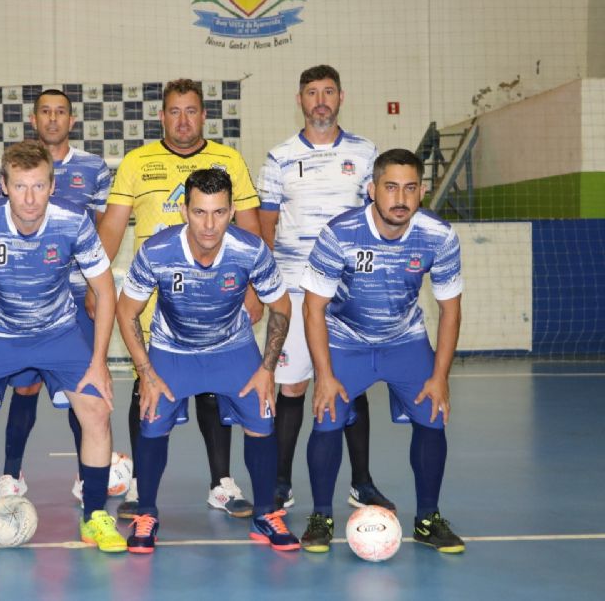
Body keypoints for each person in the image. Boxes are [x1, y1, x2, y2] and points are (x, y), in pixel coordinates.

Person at [0, 140, 126, 558]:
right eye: (20, 186)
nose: (29, 197)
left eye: (38, 186)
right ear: (3, 186)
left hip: (58, 331)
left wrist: (98, 362)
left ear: (52, 186)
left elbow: (105, 292)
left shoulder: (74, 222)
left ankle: (95, 516)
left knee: (96, 408)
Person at [96, 78, 262, 519]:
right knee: (146, 388)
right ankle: (139, 488)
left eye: (191, 111)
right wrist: (93, 285)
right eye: (174, 111)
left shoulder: (228, 159)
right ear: (161, 115)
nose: (183, 119)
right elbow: (112, 228)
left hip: (218, 297)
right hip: (154, 300)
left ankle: (222, 483)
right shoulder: (137, 162)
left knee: (215, 390)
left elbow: (249, 228)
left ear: (204, 115)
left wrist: (253, 287)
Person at [117, 169, 299, 554]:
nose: (209, 224)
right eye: (200, 212)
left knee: (263, 416)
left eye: (218, 212)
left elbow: (281, 308)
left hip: (232, 349)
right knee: (150, 418)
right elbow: (126, 310)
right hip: (173, 350)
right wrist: (146, 372)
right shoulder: (157, 250)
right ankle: (146, 513)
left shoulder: (250, 249)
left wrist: (268, 370)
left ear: (232, 210)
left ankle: (266, 513)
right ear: (184, 210)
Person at [298, 149, 465, 554]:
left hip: (404, 340)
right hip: (345, 339)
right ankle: (321, 515)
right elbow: (313, 307)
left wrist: (440, 377)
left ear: (421, 192)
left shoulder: (438, 236)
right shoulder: (340, 233)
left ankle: (428, 518)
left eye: (410, 188)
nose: (400, 199)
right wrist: (325, 376)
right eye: (390, 187)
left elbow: (450, 309)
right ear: (372, 190)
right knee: (327, 416)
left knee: (432, 416)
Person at [256, 64, 392, 512]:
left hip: (349, 294)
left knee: (349, 387)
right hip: (294, 292)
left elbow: (380, 220)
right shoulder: (278, 158)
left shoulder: (367, 153)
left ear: (341, 97)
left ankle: (362, 483)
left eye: (328, 91)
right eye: (311, 92)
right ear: (299, 100)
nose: (320, 100)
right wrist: (264, 288)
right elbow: (266, 229)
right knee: (291, 388)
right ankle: (280, 482)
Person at [0, 89, 112, 501]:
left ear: (72, 120)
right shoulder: (15, 167)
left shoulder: (94, 168)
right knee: (25, 388)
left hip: (77, 296)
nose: (53, 119)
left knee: (82, 389)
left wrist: (97, 289)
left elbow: (98, 230)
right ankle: (11, 474)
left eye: (61, 112)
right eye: (45, 112)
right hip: (28, 300)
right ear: (34, 118)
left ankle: (86, 475)